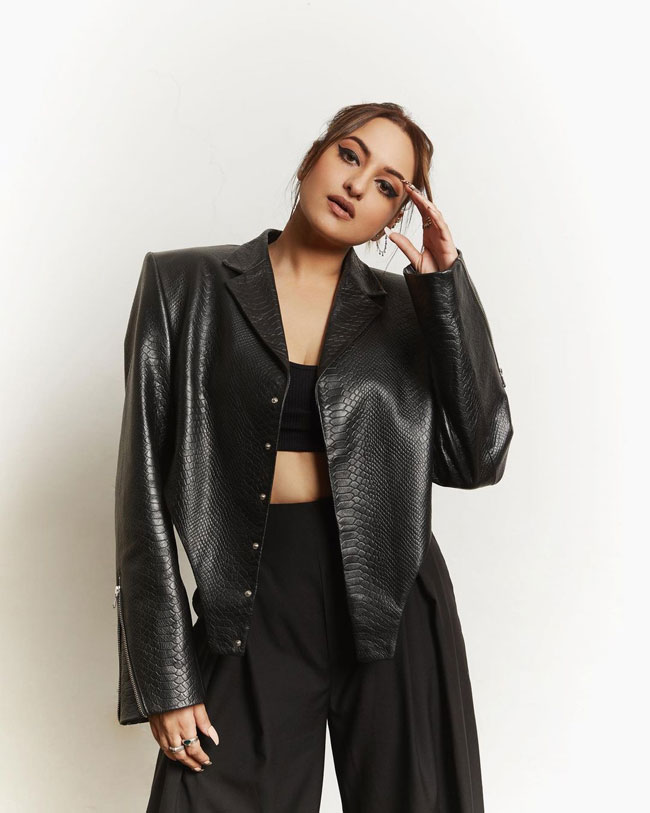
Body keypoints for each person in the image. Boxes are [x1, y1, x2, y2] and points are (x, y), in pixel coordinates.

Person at [114, 102, 514, 812]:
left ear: (395, 217)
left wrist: (444, 290)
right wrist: (165, 673)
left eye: (388, 185)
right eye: (350, 155)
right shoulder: (184, 286)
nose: (358, 185)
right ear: (313, 158)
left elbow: (478, 456)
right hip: (251, 598)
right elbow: (141, 488)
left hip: (394, 594)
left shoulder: (409, 309)